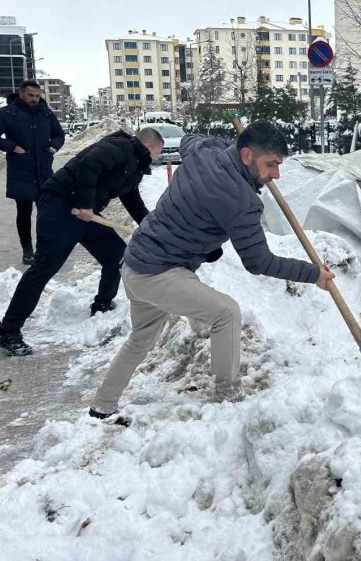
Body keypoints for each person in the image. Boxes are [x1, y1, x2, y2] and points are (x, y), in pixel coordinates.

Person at [89, 121, 335, 423]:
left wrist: (225, 145)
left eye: (279, 165)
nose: (276, 175)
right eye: (271, 164)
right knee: (226, 313)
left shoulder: (205, 151)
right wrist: (314, 274)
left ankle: (102, 405)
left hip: (137, 261)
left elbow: (189, 140)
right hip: (160, 272)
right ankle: (228, 398)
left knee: (141, 339)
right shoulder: (241, 201)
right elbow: (259, 262)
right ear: (246, 155)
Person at [0, 128, 165, 357]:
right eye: (158, 153)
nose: (156, 158)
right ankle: (8, 330)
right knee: (44, 267)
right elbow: (89, 165)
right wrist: (85, 203)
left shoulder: (135, 165)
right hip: (61, 206)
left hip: (86, 213)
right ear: (150, 146)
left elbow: (131, 198)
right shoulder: (121, 147)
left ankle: (102, 304)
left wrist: (149, 226)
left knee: (117, 255)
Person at [0, 81, 66, 265]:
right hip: (21, 169)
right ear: (21, 94)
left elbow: (59, 134)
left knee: (46, 210)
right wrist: (12, 147)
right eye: (31, 95)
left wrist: (54, 147)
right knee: (24, 211)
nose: (34, 99)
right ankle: (27, 249)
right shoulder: (8, 113)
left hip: (44, 169)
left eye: (37, 96)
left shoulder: (45, 113)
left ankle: (45, 247)